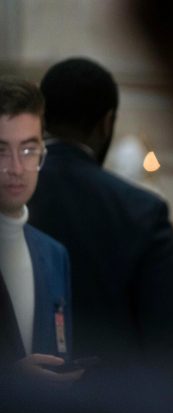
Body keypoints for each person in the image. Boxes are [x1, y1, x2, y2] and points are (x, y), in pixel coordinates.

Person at [27, 58, 173, 369]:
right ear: (106, 124)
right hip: (115, 408)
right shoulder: (143, 211)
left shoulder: (13, 198)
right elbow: (172, 348)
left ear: (41, 117)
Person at [0, 75, 80, 383]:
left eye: (28, 150)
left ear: (42, 154)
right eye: (2, 150)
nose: (17, 168)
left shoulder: (54, 253)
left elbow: (61, 351)